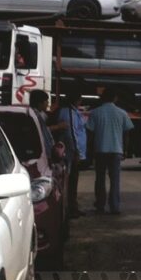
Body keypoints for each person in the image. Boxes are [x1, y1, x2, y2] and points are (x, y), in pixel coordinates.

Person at [86, 88, 134, 215]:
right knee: (115, 179)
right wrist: (126, 150)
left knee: (100, 179)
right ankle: (114, 206)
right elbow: (127, 133)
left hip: (100, 150)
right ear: (115, 98)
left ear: (103, 98)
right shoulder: (122, 113)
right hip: (116, 150)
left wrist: (89, 150)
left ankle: (100, 205)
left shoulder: (95, 113)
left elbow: (90, 133)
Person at [56, 90, 87, 219]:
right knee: (71, 182)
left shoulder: (71, 111)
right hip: (71, 152)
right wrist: (77, 152)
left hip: (72, 151)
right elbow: (72, 134)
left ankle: (72, 207)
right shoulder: (69, 113)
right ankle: (70, 208)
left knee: (72, 182)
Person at [28, 89, 56, 156]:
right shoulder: (36, 117)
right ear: (40, 103)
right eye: (46, 101)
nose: (48, 103)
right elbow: (44, 137)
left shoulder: (35, 114)